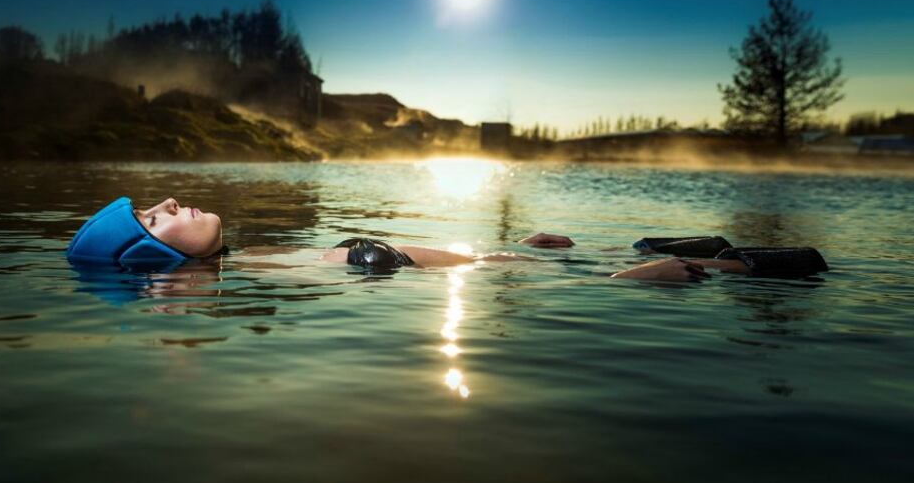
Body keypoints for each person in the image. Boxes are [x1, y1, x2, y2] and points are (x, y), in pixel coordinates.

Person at [68, 196, 769, 282]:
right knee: (635, 278)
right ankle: (735, 267)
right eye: (152, 218)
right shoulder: (208, 286)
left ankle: (685, 254)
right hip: (416, 269)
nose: (164, 202)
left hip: (448, 264)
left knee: (543, 246)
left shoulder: (240, 264)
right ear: (148, 260)